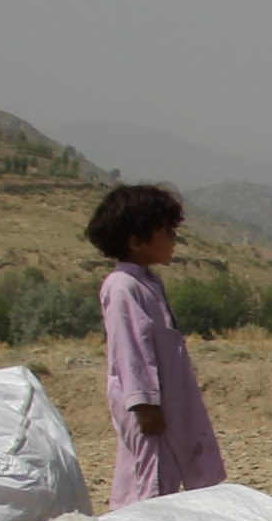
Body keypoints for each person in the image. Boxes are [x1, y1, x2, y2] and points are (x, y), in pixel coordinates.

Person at [89, 182, 223, 504]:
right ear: (136, 241)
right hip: (150, 406)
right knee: (150, 477)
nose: (173, 239)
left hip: (169, 400)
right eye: (165, 231)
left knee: (178, 465)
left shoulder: (148, 283)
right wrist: (143, 403)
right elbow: (130, 349)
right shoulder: (122, 287)